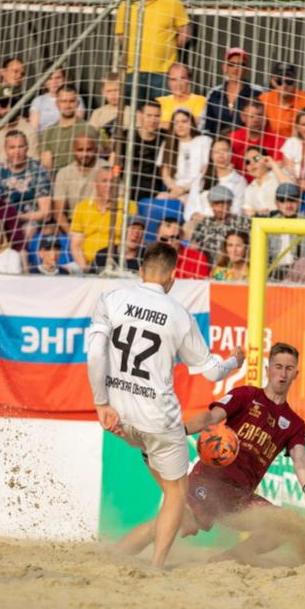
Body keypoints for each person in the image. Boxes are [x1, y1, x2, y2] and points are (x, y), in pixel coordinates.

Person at [89, 243, 243, 567]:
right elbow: (212, 372)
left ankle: (120, 554)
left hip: (120, 418)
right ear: (173, 276)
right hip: (158, 419)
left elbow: (96, 354)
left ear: (141, 270)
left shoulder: (111, 299)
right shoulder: (178, 314)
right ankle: (157, 565)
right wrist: (234, 361)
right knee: (176, 493)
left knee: (153, 454)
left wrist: (101, 402)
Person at [122, 342, 305, 567]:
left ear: (296, 374)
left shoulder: (294, 423)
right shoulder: (246, 395)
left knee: (284, 525)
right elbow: (210, 418)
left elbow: (300, 458)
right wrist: (178, 431)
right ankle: (114, 555)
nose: (283, 373)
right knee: (174, 520)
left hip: (239, 497)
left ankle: (226, 559)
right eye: (278, 366)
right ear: (268, 369)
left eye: (289, 368)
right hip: (208, 482)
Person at [115, 0, 191, 103]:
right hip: (133, 71)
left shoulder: (173, 2)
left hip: (164, 72)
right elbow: (121, 35)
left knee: (163, 110)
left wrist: (167, 48)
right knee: (134, 111)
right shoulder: (127, 4)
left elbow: (185, 33)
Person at [70, 167, 135, 271]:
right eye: (104, 181)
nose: (109, 185)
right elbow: (76, 246)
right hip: (86, 265)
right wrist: (86, 269)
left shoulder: (128, 206)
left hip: (118, 264)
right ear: (95, 184)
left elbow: (133, 241)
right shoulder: (82, 208)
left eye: (112, 181)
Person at [0, 130, 53, 244]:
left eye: (20, 147)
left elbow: (46, 213)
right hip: (2, 219)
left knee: (28, 228)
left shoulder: (38, 170)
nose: (17, 152)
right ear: (5, 149)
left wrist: (18, 217)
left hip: (30, 220)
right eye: (12, 147)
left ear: (27, 148)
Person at [185, 140, 248, 232]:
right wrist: (194, 215)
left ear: (231, 154)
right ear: (211, 155)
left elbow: (237, 211)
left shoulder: (239, 181)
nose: (221, 155)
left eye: (225, 151)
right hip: (199, 224)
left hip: (225, 226)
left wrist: (210, 220)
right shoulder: (201, 178)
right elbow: (190, 207)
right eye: (216, 152)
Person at [37, 86, 99, 173]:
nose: (67, 105)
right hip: (57, 178)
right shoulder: (48, 132)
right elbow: (47, 165)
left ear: (77, 103)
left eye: (71, 101)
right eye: (63, 101)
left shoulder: (89, 129)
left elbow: (93, 162)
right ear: (57, 104)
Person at [204, 47, 262, 136]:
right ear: (224, 67)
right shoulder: (214, 94)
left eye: (241, 64)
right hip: (217, 142)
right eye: (231, 64)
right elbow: (207, 126)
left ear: (246, 69)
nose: (236, 69)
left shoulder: (256, 93)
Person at [157, 108, 212, 201]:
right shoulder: (167, 144)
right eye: (176, 123)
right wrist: (176, 189)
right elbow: (165, 174)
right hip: (175, 191)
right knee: (159, 198)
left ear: (191, 123)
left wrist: (184, 189)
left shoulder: (204, 141)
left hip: (198, 190)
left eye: (184, 121)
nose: (180, 125)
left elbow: (205, 171)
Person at [259, 63, 305, 140]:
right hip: (269, 143)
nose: (284, 86)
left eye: (289, 81)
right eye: (279, 81)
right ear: (273, 81)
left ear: (295, 81)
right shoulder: (263, 99)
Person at [229, 99, 284, 176]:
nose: (256, 120)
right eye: (251, 116)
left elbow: (280, 167)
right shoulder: (233, 139)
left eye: (260, 115)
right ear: (243, 117)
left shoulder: (278, 140)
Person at [155, 63, 206, 130]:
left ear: (189, 80)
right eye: (173, 79)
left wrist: (162, 124)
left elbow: (195, 123)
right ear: (168, 82)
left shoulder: (201, 101)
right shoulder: (159, 102)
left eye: (182, 78)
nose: (178, 84)